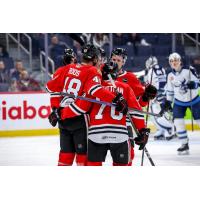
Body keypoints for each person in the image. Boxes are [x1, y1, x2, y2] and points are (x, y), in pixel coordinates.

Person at [46, 44, 128, 166]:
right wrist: (115, 99)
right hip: (79, 119)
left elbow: (50, 87)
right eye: (98, 59)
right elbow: (94, 90)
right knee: (83, 157)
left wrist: (56, 111)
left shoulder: (68, 68)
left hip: (63, 120)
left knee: (65, 155)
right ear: (95, 59)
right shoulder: (92, 71)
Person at [60, 60, 149, 166]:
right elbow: (136, 112)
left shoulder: (93, 88)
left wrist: (61, 113)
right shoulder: (125, 88)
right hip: (119, 135)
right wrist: (143, 131)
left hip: (96, 135)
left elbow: (79, 108)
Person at [109, 47, 157, 165]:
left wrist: (146, 95)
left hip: (124, 123)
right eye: (113, 59)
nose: (115, 62)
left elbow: (139, 103)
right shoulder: (102, 75)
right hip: (103, 122)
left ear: (124, 62)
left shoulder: (130, 78)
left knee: (127, 157)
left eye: (118, 60)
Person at [161, 52, 200, 154]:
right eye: (172, 61)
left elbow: (198, 82)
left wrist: (194, 84)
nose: (174, 62)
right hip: (179, 102)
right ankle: (184, 144)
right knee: (178, 123)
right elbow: (170, 91)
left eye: (176, 60)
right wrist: (168, 102)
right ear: (170, 63)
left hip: (194, 100)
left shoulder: (189, 70)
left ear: (180, 61)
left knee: (199, 121)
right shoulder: (170, 75)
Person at [144, 56, 176, 140]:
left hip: (155, 95)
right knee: (161, 113)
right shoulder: (162, 69)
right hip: (163, 93)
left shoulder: (151, 70)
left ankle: (169, 129)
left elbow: (150, 84)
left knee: (155, 114)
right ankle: (162, 130)